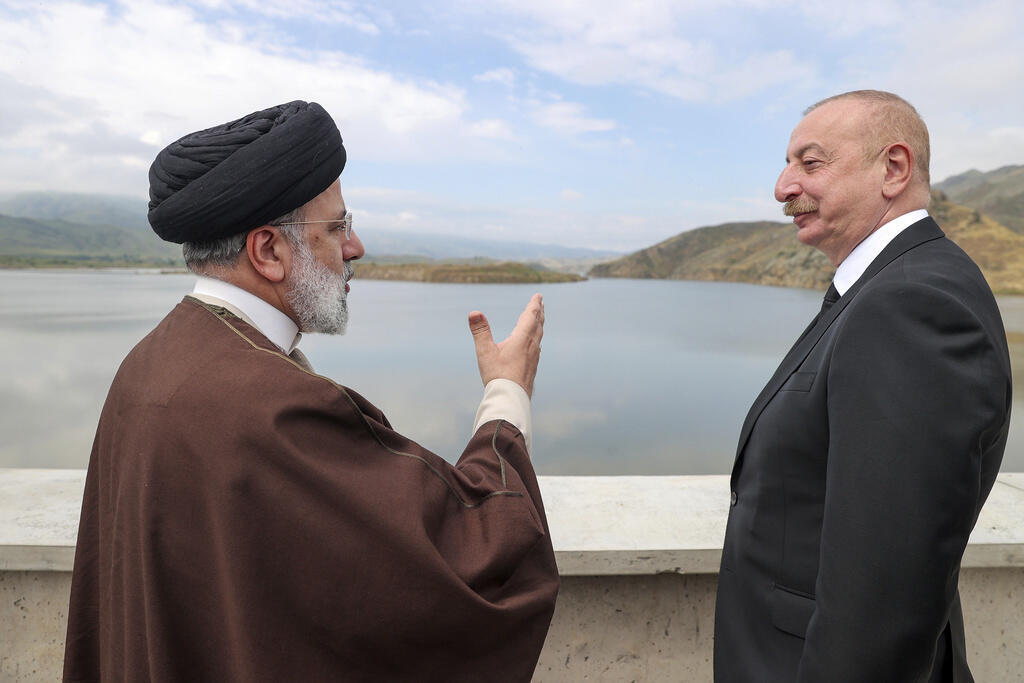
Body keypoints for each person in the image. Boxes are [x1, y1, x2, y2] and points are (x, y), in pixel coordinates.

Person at [63, 101, 559, 682]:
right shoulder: (274, 408)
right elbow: (473, 565)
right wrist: (507, 394)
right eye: (337, 227)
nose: (356, 248)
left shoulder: (146, 364)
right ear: (268, 250)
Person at [714, 90, 1011, 682]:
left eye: (811, 162)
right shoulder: (888, 289)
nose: (782, 186)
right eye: (788, 162)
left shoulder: (910, 304)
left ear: (893, 169)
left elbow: (887, 589)